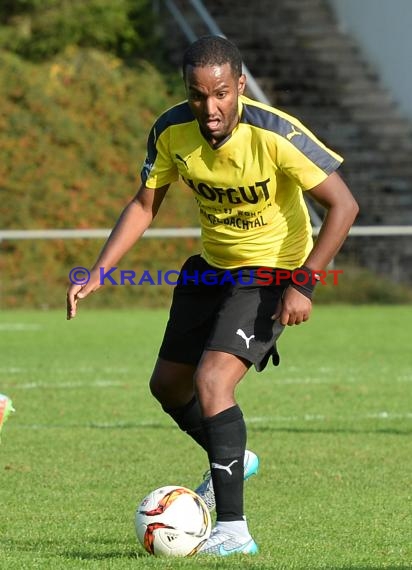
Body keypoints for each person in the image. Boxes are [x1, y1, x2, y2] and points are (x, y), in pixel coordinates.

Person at [67, 35, 359, 556]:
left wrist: (304, 282)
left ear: (239, 86)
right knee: (168, 386)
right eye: (198, 95)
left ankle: (234, 530)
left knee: (211, 381)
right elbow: (143, 204)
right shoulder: (171, 131)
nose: (210, 107)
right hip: (212, 269)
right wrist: (99, 271)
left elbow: (344, 206)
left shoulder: (276, 133)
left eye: (221, 93)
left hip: (271, 271)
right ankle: (232, 457)